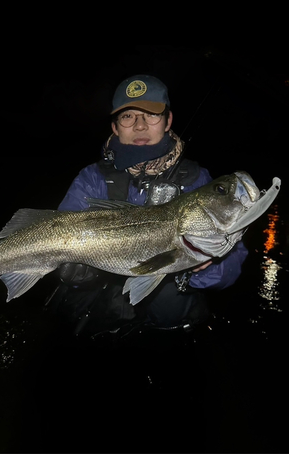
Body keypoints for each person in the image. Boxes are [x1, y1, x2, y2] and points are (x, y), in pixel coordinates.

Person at [48, 74, 248, 337]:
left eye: (151, 115)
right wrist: (74, 274)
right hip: (101, 324)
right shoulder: (91, 178)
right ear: (115, 126)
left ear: (168, 121)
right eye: (128, 116)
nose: (140, 126)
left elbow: (232, 265)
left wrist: (212, 265)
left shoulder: (198, 181)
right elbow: (55, 235)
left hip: (167, 330)